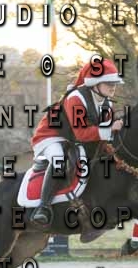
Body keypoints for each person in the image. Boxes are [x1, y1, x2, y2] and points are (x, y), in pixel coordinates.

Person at [28, 57, 125, 228]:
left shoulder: (107, 103)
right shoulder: (76, 98)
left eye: (114, 83)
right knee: (59, 159)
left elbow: (102, 137)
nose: (113, 87)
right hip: (50, 136)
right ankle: (43, 207)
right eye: (109, 83)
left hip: (74, 140)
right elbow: (82, 133)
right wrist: (110, 129)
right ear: (95, 84)